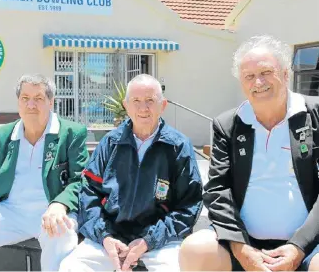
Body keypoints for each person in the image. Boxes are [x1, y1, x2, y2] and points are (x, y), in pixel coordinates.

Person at [179, 35, 319, 271]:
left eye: (266, 72)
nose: (258, 82)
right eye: (249, 76)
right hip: (243, 242)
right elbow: (217, 190)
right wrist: (241, 249)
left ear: (285, 74)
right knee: (196, 250)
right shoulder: (228, 125)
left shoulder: (314, 114)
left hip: (310, 243)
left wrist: (298, 246)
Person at [59, 73, 203, 272]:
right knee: (70, 267)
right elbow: (89, 194)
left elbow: (189, 205)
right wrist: (105, 237)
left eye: (150, 101)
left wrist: (148, 240)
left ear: (163, 105)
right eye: (136, 101)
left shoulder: (178, 146)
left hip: (160, 238)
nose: (143, 108)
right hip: (110, 235)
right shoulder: (110, 142)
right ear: (126, 105)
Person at [0, 74, 89, 271]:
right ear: (19, 103)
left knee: (62, 234)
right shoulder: (4, 134)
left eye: (38, 98)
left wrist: (60, 204)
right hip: (9, 211)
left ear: (50, 102)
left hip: (51, 211)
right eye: (25, 98)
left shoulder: (71, 133)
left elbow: (79, 180)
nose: (31, 105)